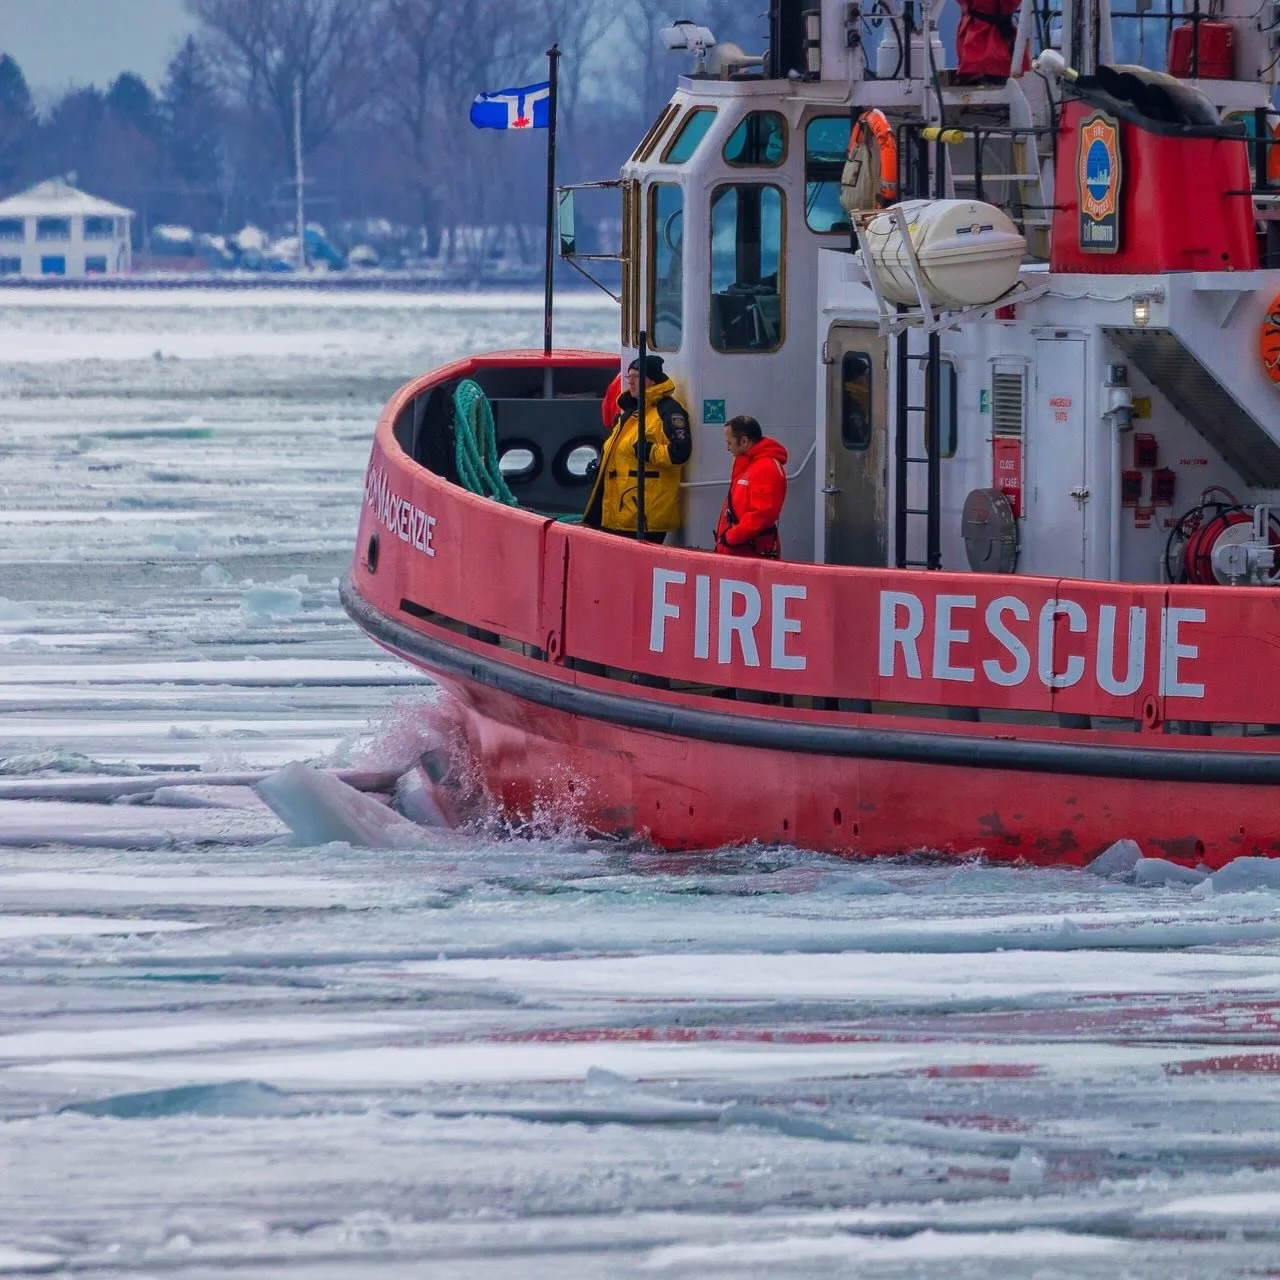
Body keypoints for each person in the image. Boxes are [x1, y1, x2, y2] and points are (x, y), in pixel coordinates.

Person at [583, 355, 692, 543]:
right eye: (629, 377)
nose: (630, 382)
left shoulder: (667, 411)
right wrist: (600, 466)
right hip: (622, 509)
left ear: (651, 380)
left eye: (636, 377)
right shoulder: (632, 412)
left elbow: (680, 453)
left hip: (643, 513)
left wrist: (648, 451)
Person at [713, 415, 788, 559]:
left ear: (744, 441)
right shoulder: (749, 464)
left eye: (730, 443)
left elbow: (762, 514)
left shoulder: (766, 468)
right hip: (739, 549)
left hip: (749, 552)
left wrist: (731, 537)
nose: (727, 448)